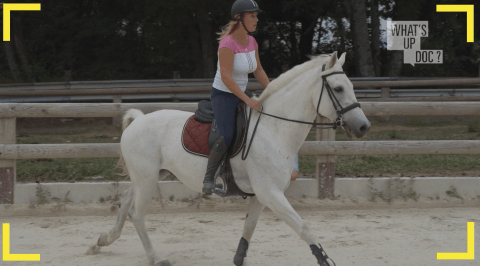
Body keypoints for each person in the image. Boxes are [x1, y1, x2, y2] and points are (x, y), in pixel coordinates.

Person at [202, 0, 270, 195]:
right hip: (223, 94)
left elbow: (258, 69)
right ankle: (209, 179)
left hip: (240, 92)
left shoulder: (252, 42)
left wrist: (274, 90)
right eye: (252, 16)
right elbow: (226, 76)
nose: (256, 20)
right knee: (226, 135)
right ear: (239, 18)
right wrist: (248, 100)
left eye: (256, 16)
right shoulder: (227, 44)